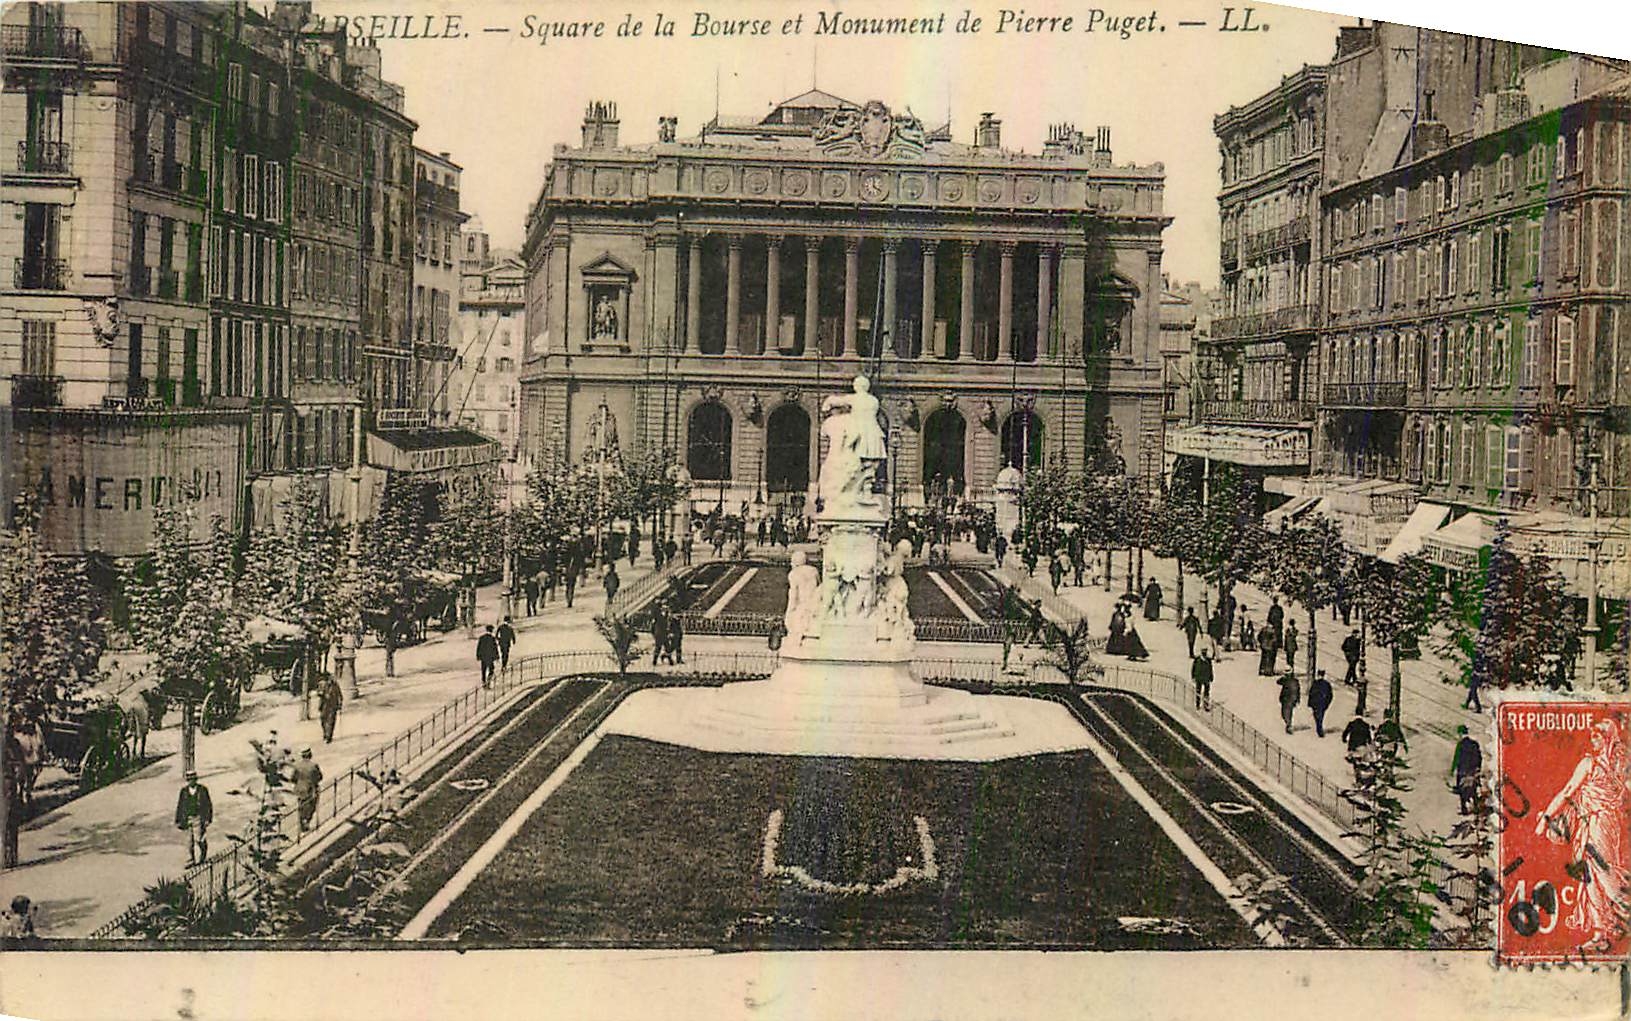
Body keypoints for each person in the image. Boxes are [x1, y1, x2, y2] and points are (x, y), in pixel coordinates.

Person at [1534, 717, 1630, 950]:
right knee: (1589, 876)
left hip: (1602, 824)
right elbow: (1568, 791)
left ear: (1608, 738)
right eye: (1592, 736)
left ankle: (1624, 908)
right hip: (1589, 825)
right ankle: (1601, 933)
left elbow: (1568, 791)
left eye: (1598, 736)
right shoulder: (1599, 764)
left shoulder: (1609, 766)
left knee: (1603, 871)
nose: (1593, 740)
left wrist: (1546, 818)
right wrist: (1547, 817)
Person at [175, 770, 213, 866]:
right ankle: (191, 859)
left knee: (199, 839)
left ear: (196, 779)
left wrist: (208, 818)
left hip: (199, 818)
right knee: (189, 841)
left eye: (193, 779)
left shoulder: (202, 790)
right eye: (189, 780)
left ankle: (203, 854)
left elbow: (208, 805)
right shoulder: (184, 791)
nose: (191, 781)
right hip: (187, 818)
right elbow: (180, 805)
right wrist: (178, 820)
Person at [1449, 726, 1483, 815]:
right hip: (1472, 771)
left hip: (1463, 771)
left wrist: (1452, 771)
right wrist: (1478, 768)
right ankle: (1476, 807)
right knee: (1474, 789)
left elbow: (1456, 759)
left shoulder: (1460, 745)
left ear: (1460, 734)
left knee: (1461, 789)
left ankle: (1464, 809)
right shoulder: (1474, 743)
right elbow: (1479, 757)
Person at [291, 748, 323, 834]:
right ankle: (306, 821)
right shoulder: (314, 765)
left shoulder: (297, 765)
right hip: (310, 789)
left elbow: (292, 778)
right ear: (310, 755)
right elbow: (320, 777)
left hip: (299, 789)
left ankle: (302, 822)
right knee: (311, 806)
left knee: (301, 806)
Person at [1342, 715, 1375, 783]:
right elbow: (1369, 737)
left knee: (1355, 762)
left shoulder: (1352, 724)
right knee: (1362, 762)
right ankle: (1363, 777)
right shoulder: (1366, 725)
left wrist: (1344, 739)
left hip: (1353, 747)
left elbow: (1345, 733)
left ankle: (1358, 777)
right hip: (1362, 746)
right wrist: (1369, 742)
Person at [1307, 670, 1334, 737]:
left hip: (1316, 704)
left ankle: (1319, 729)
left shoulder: (1315, 683)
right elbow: (1330, 695)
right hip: (1322, 704)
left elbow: (1311, 693)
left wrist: (1310, 703)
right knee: (1320, 716)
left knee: (1317, 716)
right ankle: (1319, 728)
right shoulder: (1326, 684)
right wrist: (1327, 703)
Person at [318, 674, 343, 745]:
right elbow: (319, 693)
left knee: (331, 721)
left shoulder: (335, 685)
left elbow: (340, 695)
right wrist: (322, 694)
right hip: (324, 705)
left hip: (332, 705)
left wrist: (340, 704)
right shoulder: (322, 684)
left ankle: (328, 737)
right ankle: (325, 734)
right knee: (323, 720)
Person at [1276, 671, 1300, 735]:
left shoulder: (1288, 681)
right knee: (1286, 713)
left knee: (1286, 713)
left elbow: (1278, 681)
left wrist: (1297, 699)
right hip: (1289, 700)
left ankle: (1289, 725)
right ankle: (1288, 724)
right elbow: (1278, 682)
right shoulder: (1292, 681)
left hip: (1288, 699)